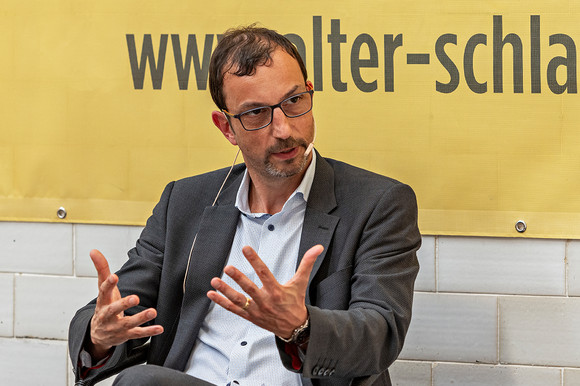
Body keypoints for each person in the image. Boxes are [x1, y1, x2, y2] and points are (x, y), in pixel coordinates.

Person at [69, 25, 421, 386]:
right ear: (226, 127)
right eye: (256, 113)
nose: (284, 129)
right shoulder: (185, 202)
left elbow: (381, 331)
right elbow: (115, 311)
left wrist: (300, 327)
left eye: (294, 101)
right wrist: (99, 336)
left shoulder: (377, 203)